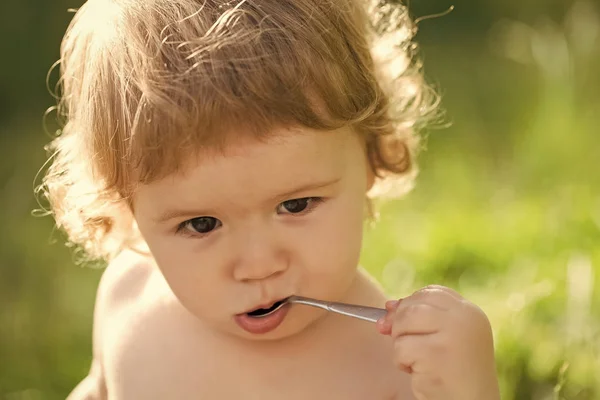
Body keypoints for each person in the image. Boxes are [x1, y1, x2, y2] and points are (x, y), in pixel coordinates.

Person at [40, 0, 500, 398]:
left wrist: (468, 388)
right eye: (201, 224)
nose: (258, 265)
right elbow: (100, 388)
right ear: (126, 206)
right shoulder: (127, 293)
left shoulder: (389, 364)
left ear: (372, 155)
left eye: (296, 206)